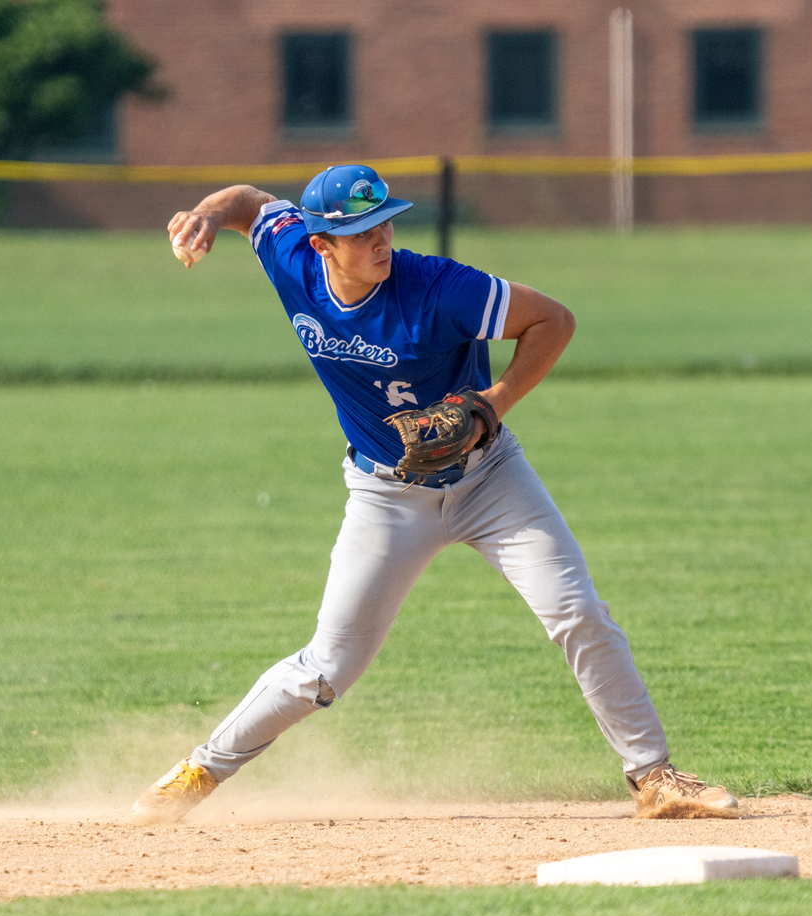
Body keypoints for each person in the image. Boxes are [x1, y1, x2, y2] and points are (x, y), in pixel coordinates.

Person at [131, 164, 735, 824]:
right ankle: (197, 773)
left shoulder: (442, 288)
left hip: (490, 479)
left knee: (578, 612)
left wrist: (491, 404)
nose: (380, 239)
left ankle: (654, 775)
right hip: (384, 497)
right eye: (360, 231)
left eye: (384, 222)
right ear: (321, 244)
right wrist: (210, 215)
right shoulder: (290, 256)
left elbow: (553, 322)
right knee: (325, 668)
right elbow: (251, 201)